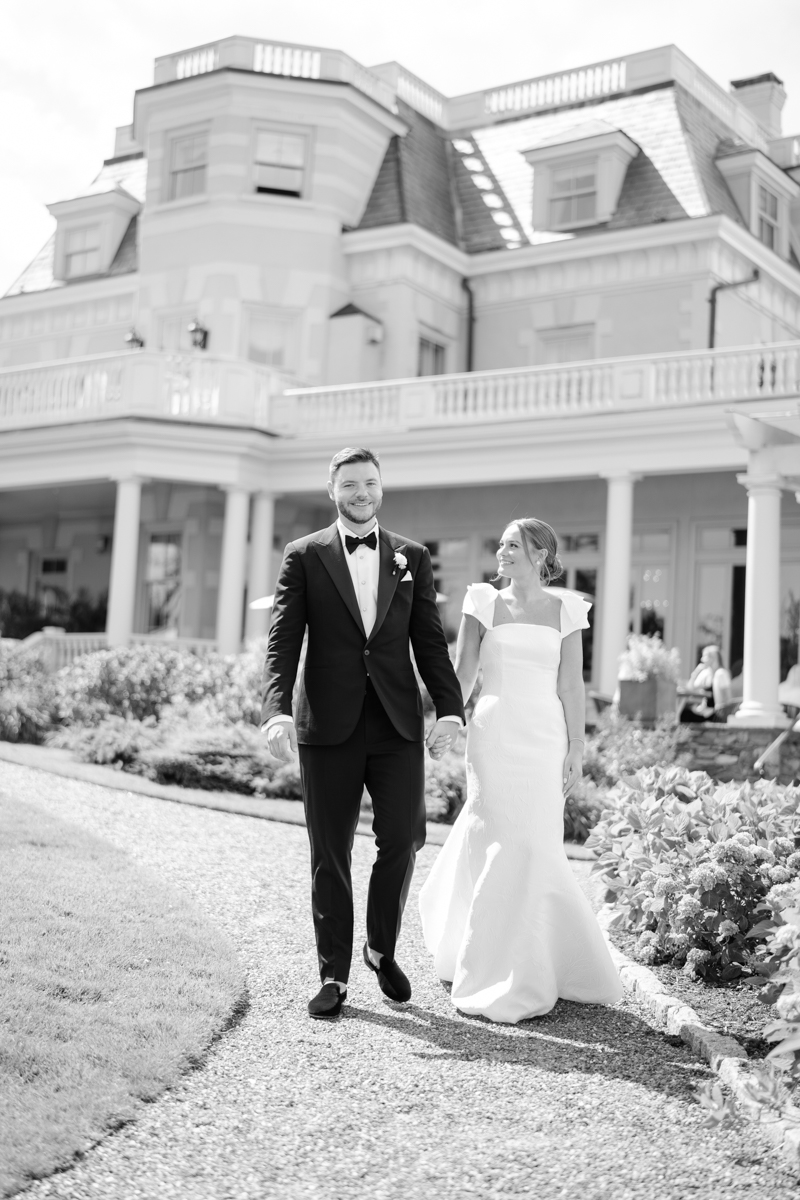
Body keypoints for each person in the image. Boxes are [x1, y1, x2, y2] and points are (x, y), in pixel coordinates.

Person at [262, 447, 465, 1020]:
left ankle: (380, 948)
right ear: (332, 490)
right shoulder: (303, 556)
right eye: (350, 484)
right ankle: (334, 974)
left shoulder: (412, 557)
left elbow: (429, 639)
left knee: (403, 839)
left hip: (396, 721)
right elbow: (283, 641)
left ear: (382, 487)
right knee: (329, 851)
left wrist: (449, 709)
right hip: (327, 723)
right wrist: (277, 710)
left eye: (370, 483)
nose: (361, 493)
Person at [418, 518, 622, 1024]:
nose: (503, 551)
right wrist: (447, 717)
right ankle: (486, 961)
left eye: (514, 545)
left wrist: (577, 746)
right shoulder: (481, 601)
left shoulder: (568, 608)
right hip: (494, 732)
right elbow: (464, 671)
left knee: (535, 841)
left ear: (540, 554)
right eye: (502, 544)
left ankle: (542, 958)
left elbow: (571, 685)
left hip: (546, 737)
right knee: (497, 836)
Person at [679, 645, 732, 723]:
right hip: (705, 711)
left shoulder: (721, 674)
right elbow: (690, 689)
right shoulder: (706, 673)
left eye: (704, 656)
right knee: (684, 712)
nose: (702, 659)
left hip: (716, 714)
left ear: (713, 658)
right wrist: (695, 673)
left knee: (685, 715)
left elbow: (728, 698)